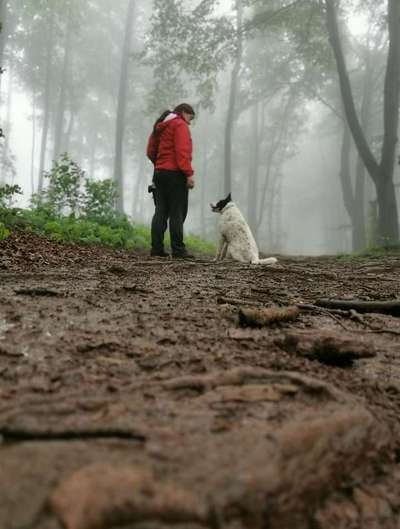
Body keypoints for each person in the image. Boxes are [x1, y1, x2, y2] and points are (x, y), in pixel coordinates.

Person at [146, 103, 196, 258]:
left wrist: (160, 164)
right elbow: (182, 152)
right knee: (177, 212)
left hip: (159, 174)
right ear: (182, 113)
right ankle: (178, 250)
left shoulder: (160, 126)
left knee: (160, 210)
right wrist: (188, 174)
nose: (189, 122)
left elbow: (150, 151)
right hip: (175, 175)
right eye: (190, 117)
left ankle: (157, 250)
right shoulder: (179, 125)